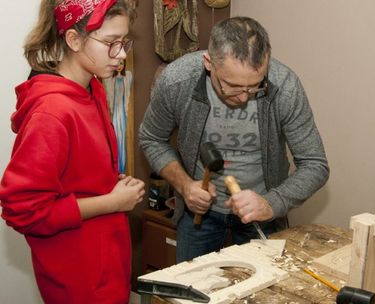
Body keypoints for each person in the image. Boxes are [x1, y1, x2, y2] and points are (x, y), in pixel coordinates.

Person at [139, 16, 329, 262]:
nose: (244, 98)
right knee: (194, 294)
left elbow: (315, 164)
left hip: (262, 216)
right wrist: (185, 186)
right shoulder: (178, 80)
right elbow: (151, 137)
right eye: (233, 86)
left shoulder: (284, 86)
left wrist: (272, 203)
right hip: (200, 216)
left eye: (255, 86)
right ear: (209, 63)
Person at [0, 0, 145, 303]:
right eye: (110, 43)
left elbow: (77, 175)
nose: (120, 54)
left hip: (107, 267)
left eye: (124, 42)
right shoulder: (53, 112)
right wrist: (111, 201)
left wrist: (109, 183)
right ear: (74, 39)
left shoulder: (93, 88)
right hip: (78, 281)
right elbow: (23, 210)